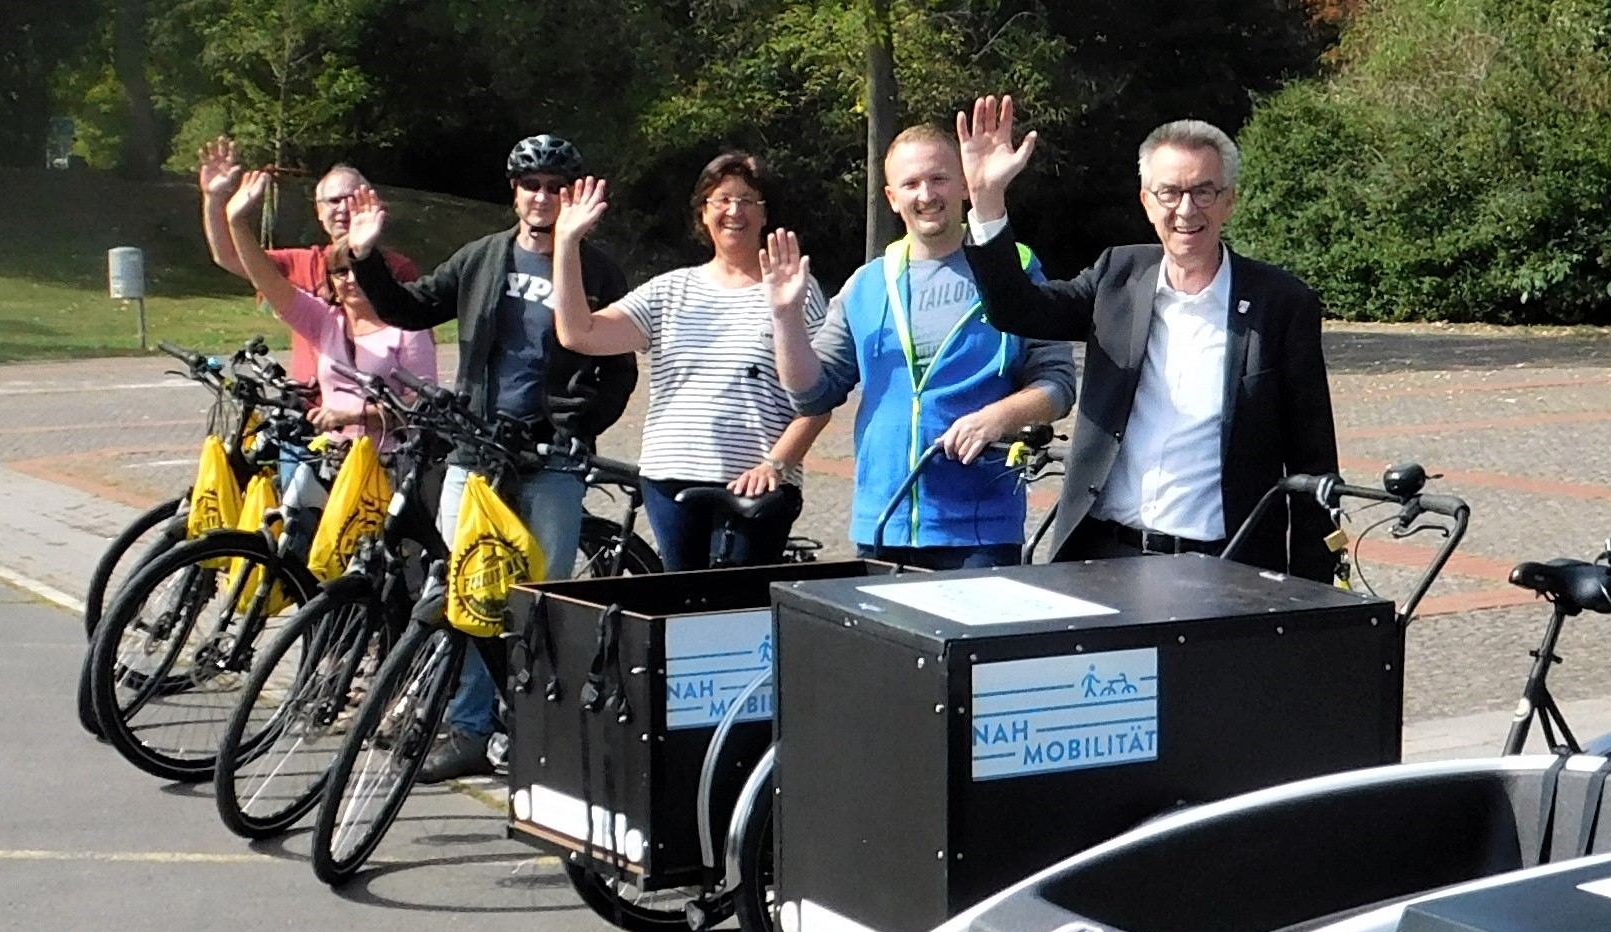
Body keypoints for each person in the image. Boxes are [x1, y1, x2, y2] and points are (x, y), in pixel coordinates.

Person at [947, 98, 1340, 579]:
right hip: (1104, 556)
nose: (1186, 210)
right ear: (1146, 201)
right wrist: (987, 201)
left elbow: (1311, 458)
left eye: (1204, 191)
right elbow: (1019, 309)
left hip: (1223, 565)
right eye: (1170, 192)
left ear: (1230, 200)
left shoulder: (1281, 303)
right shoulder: (1119, 275)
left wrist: (1312, 590)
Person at [348, 134, 638, 781]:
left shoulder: (596, 270)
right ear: (514, 192)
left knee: (537, 600)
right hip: (476, 448)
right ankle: (471, 725)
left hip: (553, 459)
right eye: (531, 185)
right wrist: (364, 256)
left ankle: (531, 724)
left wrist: (575, 422)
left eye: (556, 186)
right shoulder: (484, 258)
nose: (543, 197)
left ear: (571, 194)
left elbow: (617, 373)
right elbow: (410, 304)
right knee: (469, 590)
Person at [769, 124, 1076, 568]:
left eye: (938, 179)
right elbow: (812, 393)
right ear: (892, 198)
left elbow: (1058, 384)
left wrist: (997, 418)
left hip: (980, 528)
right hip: (883, 520)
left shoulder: (1016, 270)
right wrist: (785, 318)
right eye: (911, 184)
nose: (926, 195)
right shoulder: (868, 283)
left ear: (966, 186)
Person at [546, 155, 827, 571]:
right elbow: (578, 333)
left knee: (743, 612)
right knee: (681, 604)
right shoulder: (670, 290)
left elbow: (821, 397)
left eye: (748, 200)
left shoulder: (793, 289)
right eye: (723, 199)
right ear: (704, 212)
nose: (735, 211)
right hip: (672, 478)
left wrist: (777, 463)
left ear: (765, 213)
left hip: (762, 481)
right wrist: (566, 246)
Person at [211, 165, 436, 437]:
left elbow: (423, 400)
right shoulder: (324, 315)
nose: (351, 279)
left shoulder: (401, 299)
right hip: (313, 423)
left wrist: (356, 416)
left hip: (386, 451)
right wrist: (228, 213)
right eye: (340, 272)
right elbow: (245, 266)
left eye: (350, 198)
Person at [196, 140, 417, 383]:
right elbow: (228, 257)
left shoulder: (397, 267)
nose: (343, 208)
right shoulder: (301, 262)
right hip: (311, 408)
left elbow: (415, 347)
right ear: (319, 213)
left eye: (351, 199)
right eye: (333, 201)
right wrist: (214, 199)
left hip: (377, 405)